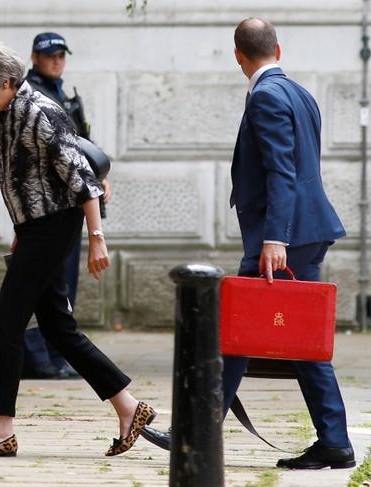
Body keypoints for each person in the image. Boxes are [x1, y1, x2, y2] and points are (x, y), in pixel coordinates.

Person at [140, 17, 356, 470]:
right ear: (279, 49)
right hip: (303, 231)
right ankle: (206, 427)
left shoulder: (266, 97)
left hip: (284, 238)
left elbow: (284, 172)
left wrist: (275, 238)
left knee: (262, 336)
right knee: (250, 336)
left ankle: (200, 430)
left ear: (238, 55)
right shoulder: (301, 93)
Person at [0, 40, 155, 457]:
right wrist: (20, 230)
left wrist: (96, 239)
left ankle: (1, 429)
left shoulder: (43, 113)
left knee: (7, 321)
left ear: (6, 82)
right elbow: (23, 178)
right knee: (58, 329)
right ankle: (128, 407)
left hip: (55, 227)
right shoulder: (2, 112)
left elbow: (83, 179)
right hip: (35, 228)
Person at [21, 32, 112, 380]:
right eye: (50, 55)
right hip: (49, 202)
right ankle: (39, 359)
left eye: (61, 55)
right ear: (35, 57)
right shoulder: (31, 94)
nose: (57, 60)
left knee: (63, 285)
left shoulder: (63, 95)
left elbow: (83, 145)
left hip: (71, 197)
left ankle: (57, 357)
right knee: (44, 282)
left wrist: (101, 175)